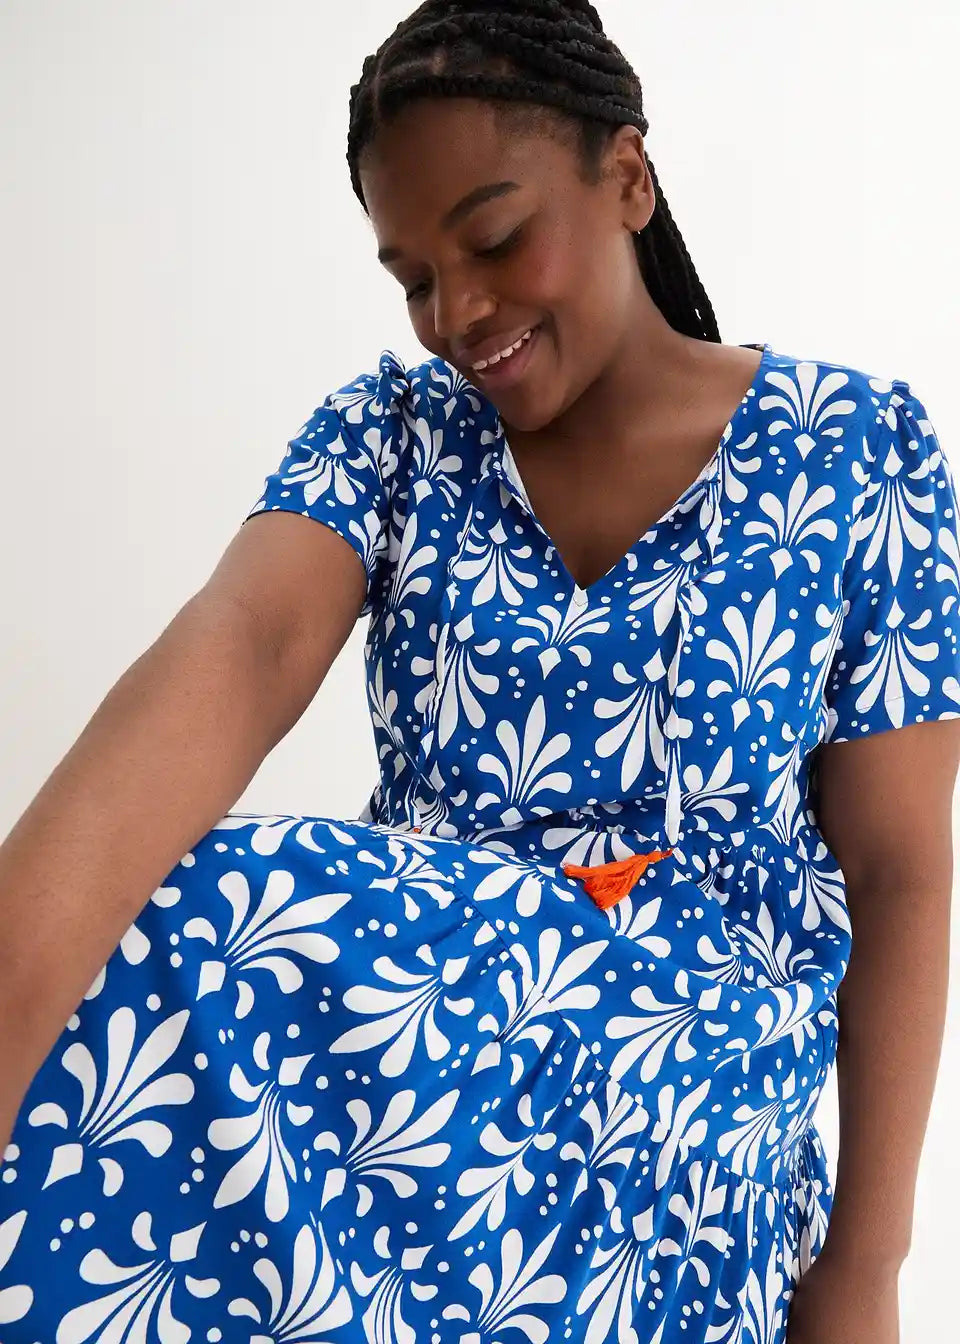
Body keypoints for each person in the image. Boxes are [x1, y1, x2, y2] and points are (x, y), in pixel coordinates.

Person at [1, 2, 958, 1340]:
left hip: (700, 1104)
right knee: (162, 901)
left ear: (628, 178)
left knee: (234, 910)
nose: (455, 314)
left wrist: (865, 1268)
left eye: (495, 240)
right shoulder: (393, 438)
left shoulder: (855, 448)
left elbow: (901, 872)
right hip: (417, 1061)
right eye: (413, 278)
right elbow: (244, 642)